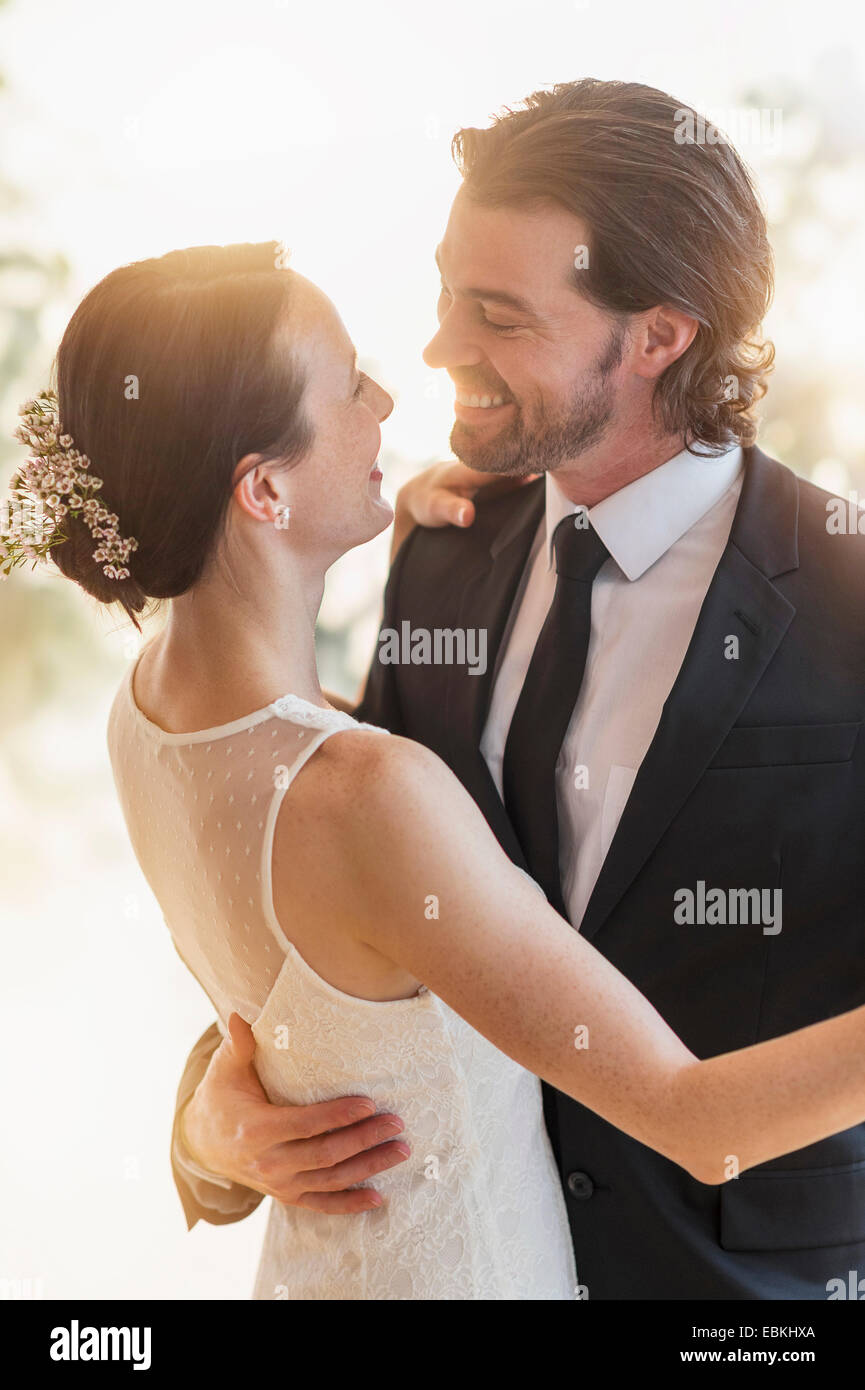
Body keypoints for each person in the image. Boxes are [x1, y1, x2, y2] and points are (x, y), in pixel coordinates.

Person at [168, 81, 865, 1301]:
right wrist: (210, 1129)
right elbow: (357, 901)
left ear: (658, 336)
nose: (438, 346)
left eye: (495, 314)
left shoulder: (849, 595)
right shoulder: (436, 545)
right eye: (445, 290)